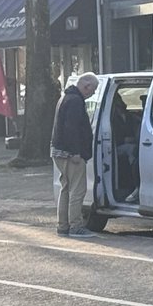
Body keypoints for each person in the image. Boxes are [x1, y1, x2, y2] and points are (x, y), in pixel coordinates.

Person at [51, 72, 99, 237]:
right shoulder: (76, 101)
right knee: (77, 191)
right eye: (92, 91)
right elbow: (72, 128)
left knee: (65, 189)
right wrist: (76, 152)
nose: (92, 94)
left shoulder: (65, 97)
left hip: (59, 152)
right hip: (71, 154)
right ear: (87, 86)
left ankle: (63, 225)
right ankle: (76, 226)